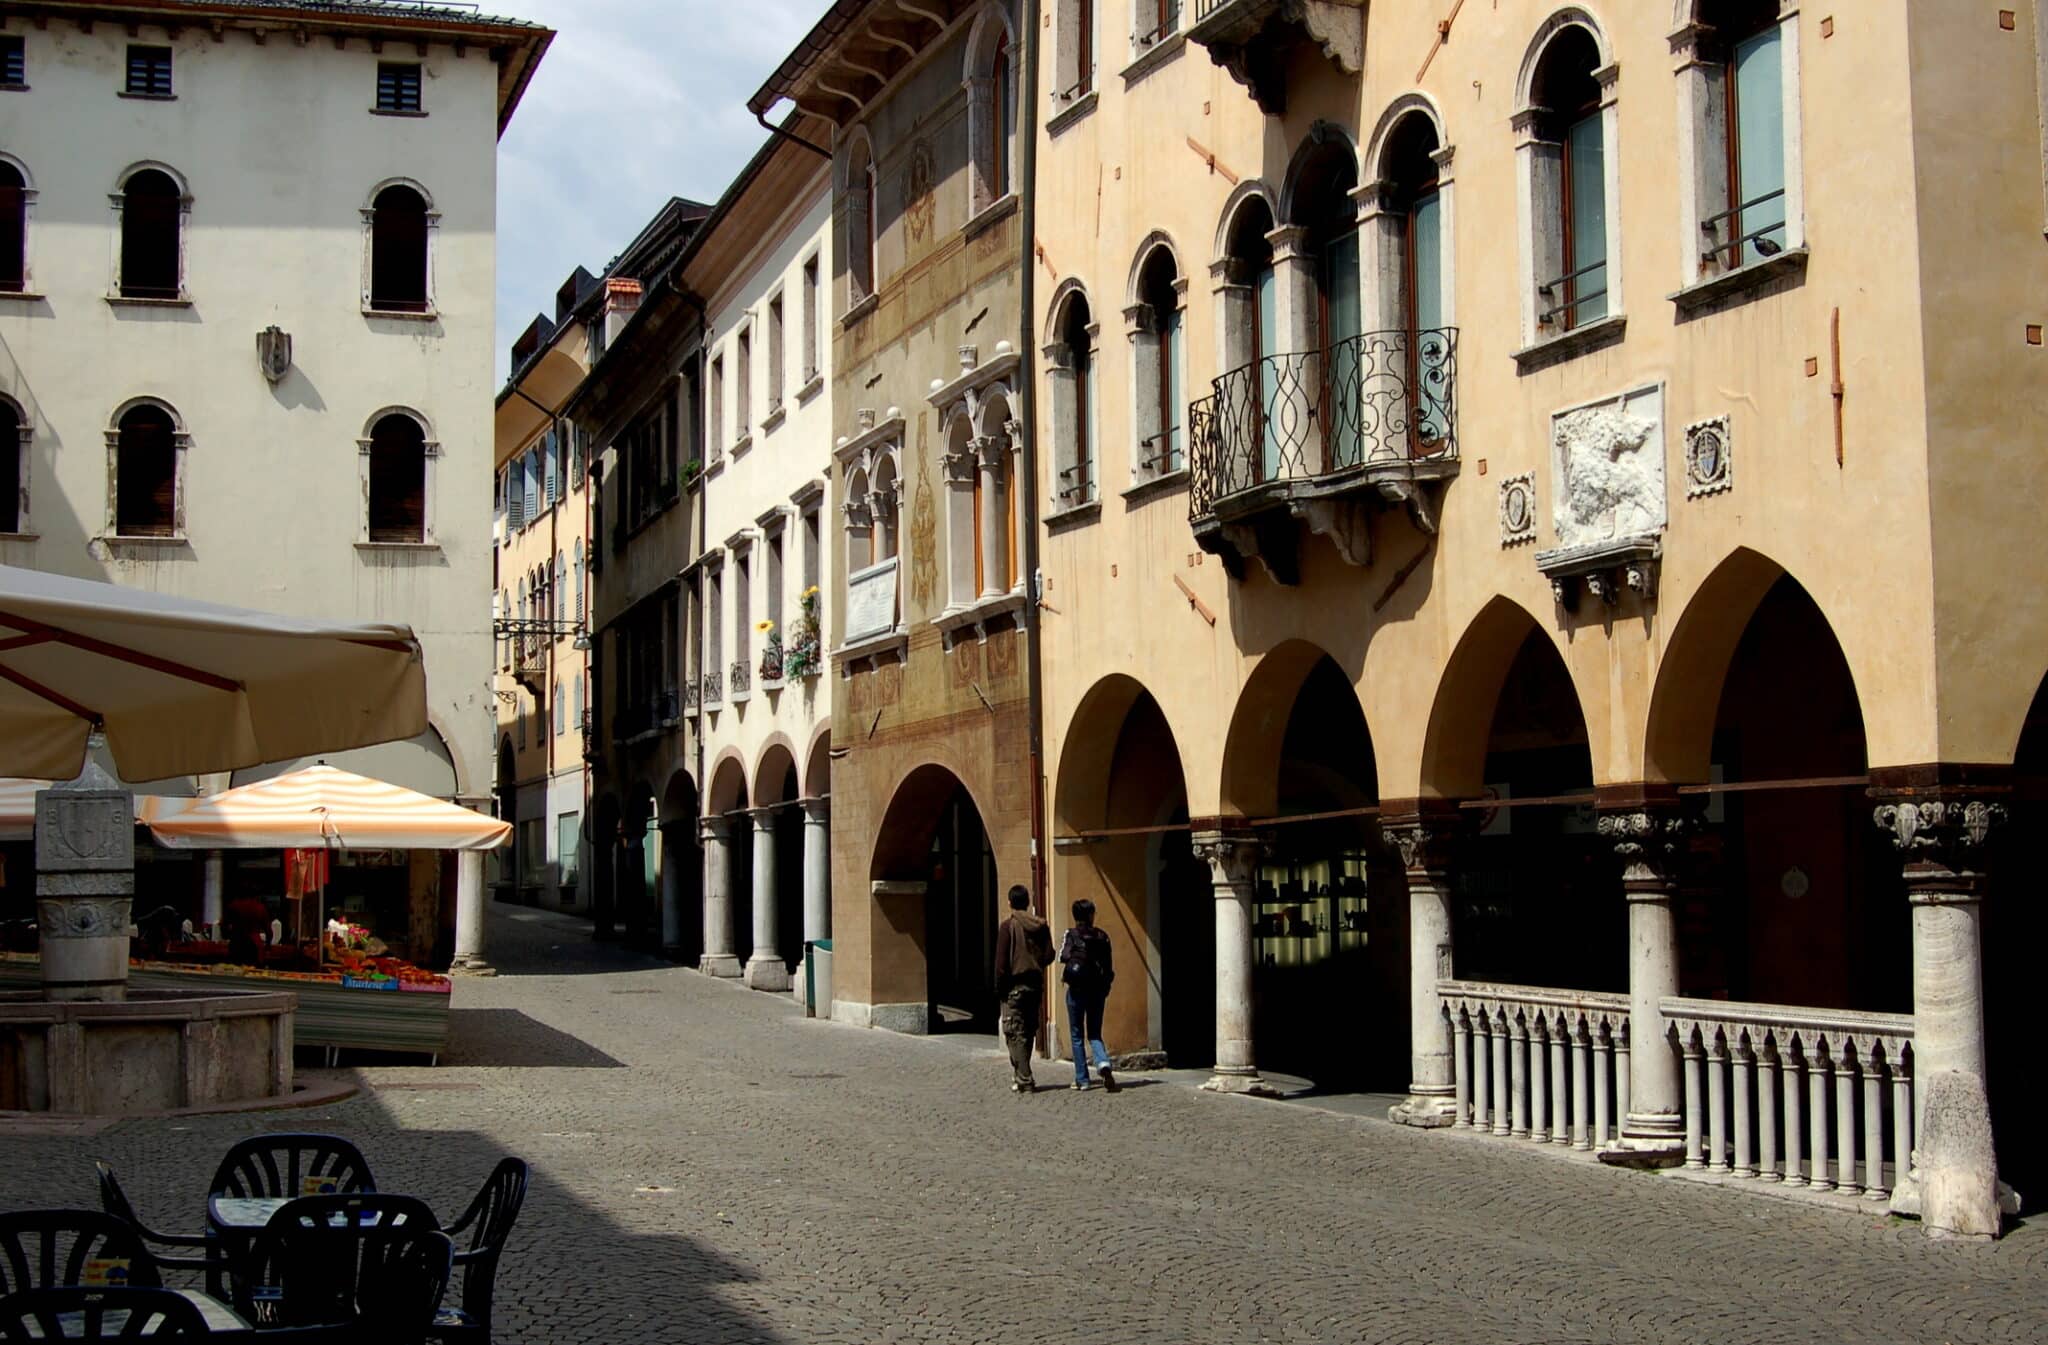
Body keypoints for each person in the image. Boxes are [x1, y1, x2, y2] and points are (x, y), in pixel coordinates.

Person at [992, 884, 1053, 1093]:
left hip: (1014, 986)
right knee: (1027, 1031)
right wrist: (1036, 962)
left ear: (1010, 902)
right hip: (1035, 985)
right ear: (1027, 902)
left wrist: (1000, 987)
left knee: (1013, 1033)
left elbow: (1001, 964)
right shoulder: (1041, 926)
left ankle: (1025, 1079)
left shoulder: (1008, 927)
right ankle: (1020, 1076)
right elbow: (1050, 954)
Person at [1059, 898, 1118, 1092]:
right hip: (1097, 990)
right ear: (1091, 915)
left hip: (1076, 989)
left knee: (1077, 1035)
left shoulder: (1071, 934)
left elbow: (1063, 956)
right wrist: (1106, 985)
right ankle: (1103, 1063)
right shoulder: (1103, 936)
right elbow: (1109, 967)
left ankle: (1082, 1079)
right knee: (1094, 1033)